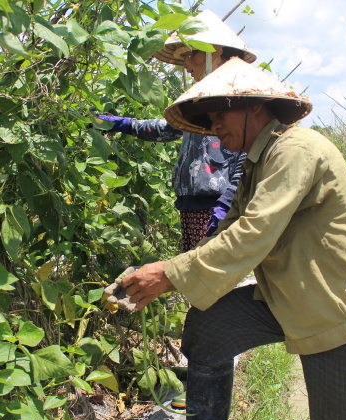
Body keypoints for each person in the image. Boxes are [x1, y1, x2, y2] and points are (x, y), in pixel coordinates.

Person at [119, 57, 346, 420]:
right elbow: (227, 228)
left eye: (220, 113)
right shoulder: (257, 162)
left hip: (344, 313)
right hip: (293, 295)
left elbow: (254, 233)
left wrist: (169, 273)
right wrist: (173, 270)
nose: (214, 127)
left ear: (256, 105)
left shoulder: (296, 149)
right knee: (210, 328)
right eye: (209, 119)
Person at [96, 10, 256, 251]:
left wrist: (225, 206)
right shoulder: (201, 99)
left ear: (216, 50)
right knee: (195, 275)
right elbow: (168, 128)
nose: (188, 64)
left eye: (193, 54)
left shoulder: (237, 95)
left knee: (209, 275)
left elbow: (245, 158)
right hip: (192, 204)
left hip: (215, 205)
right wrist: (122, 124)